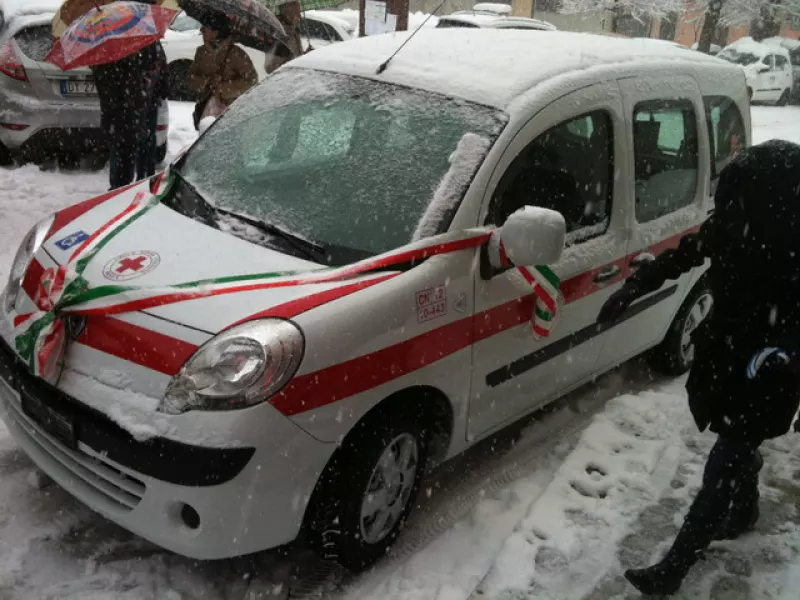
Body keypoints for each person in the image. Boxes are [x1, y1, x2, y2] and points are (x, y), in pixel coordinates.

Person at [597, 139, 800, 596]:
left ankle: (675, 566)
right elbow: (686, 253)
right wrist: (636, 285)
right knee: (735, 442)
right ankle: (744, 510)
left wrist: (788, 350)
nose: (727, 201)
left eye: (739, 192)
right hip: (726, 353)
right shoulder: (736, 225)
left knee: (725, 459)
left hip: (767, 371)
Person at [92, 43, 163, 190]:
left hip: (122, 118)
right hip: (124, 117)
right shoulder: (117, 63)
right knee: (122, 159)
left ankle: (120, 189)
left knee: (123, 157)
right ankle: (120, 191)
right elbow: (125, 91)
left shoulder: (104, 58)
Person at [187, 14, 258, 125]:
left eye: (206, 28)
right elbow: (191, 78)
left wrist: (223, 88)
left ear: (216, 32)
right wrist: (207, 81)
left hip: (232, 111)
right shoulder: (201, 52)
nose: (201, 30)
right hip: (207, 110)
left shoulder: (236, 54)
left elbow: (251, 81)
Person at [137, 41, 169, 181]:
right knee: (147, 139)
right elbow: (163, 72)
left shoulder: (148, 44)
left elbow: (162, 71)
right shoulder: (152, 43)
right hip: (145, 100)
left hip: (145, 100)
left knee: (146, 140)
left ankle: (145, 176)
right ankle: (145, 176)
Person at [265, 1, 303, 74]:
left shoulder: (294, 31)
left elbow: (297, 56)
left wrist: (306, 55)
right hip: (285, 79)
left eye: (299, 12)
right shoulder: (276, 34)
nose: (300, 17)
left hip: (297, 77)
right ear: (287, 13)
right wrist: (290, 63)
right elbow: (269, 67)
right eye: (296, 13)